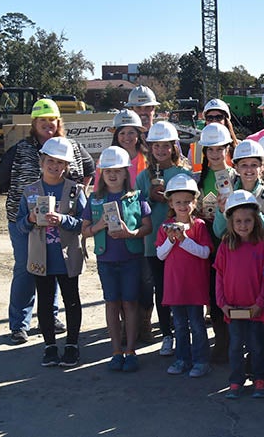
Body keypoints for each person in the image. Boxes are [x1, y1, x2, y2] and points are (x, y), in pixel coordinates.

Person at [0, 98, 94, 345]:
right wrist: (22, 200)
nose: (47, 125)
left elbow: (90, 169)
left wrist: (78, 194)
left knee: (56, 265)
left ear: (58, 122)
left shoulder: (72, 146)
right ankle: (19, 324)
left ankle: (51, 316)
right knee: (27, 270)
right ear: (34, 123)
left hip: (62, 222)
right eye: (42, 121)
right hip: (25, 222)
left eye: (52, 120)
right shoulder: (22, 148)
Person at [17, 137, 88, 367]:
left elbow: (85, 223)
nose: (55, 166)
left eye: (60, 163)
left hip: (67, 258)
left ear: (66, 166)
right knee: (45, 303)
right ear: (42, 161)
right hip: (41, 259)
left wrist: (63, 220)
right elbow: (19, 225)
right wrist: (29, 218)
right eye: (50, 161)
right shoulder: (30, 191)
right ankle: (49, 345)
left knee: (72, 301)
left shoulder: (75, 191)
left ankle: (72, 344)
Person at [82, 146, 152, 372]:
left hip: (131, 259)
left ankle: (131, 350)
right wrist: (99, 225)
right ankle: (116, 350)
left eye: (118, 171)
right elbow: (84, 231)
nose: (112, 175)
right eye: (108, 170)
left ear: (126, 173)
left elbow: (147, 227)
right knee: (112, 303)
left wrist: (130, 233)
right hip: (106, 261)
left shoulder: (136, 198)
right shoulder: (94, 199)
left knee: (130, 303)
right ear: (101, 173)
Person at [135, 121, 193, 358]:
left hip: (181, 243)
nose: (160, 150)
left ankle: (184, 332)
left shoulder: (182, 174)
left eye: (165, 145)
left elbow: (192, 207)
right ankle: (167, 334)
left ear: (173, 147)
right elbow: (134, 210)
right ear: (149, 148)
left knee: (181, 288)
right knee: (162, 290)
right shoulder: (142, 177)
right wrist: (147, 198)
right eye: (155, 145)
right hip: (153, 244)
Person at [215, 190, 264, 399]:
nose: (242, 225)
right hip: (233, 309)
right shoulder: (225, 245)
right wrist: (222, 303)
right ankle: (236, 380)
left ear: (255, 220)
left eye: (247, 220)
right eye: (238, 221)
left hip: (255, 309)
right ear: (230, 221)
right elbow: (219, 275)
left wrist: (260, 302)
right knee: (235, 347)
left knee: (258, 346)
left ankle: (259, 378)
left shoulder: (262, 245)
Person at [157, 173, 213, 378]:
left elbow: (205, 252)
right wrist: (171, 240)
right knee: (179, 325)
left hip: (195, 287)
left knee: (197, 325)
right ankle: (182, 359)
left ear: (195, 202)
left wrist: (183, 239)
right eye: (178, 202)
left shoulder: (199, 225)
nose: (183, 206)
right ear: (171, 203)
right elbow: (160, 255)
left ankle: (201, 361)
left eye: (188, 201)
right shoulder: (165, 227)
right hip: (175, 287)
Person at [195, 122, 237, 364]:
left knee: (232, 290)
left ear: (227, 148)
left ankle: (234, 343)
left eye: (219, 149)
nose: (214, 153)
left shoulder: (236, 176)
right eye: (210, 149)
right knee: (214, 293)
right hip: (208, 237)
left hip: (230, 238)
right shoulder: (200, 177)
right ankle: (221, 343)